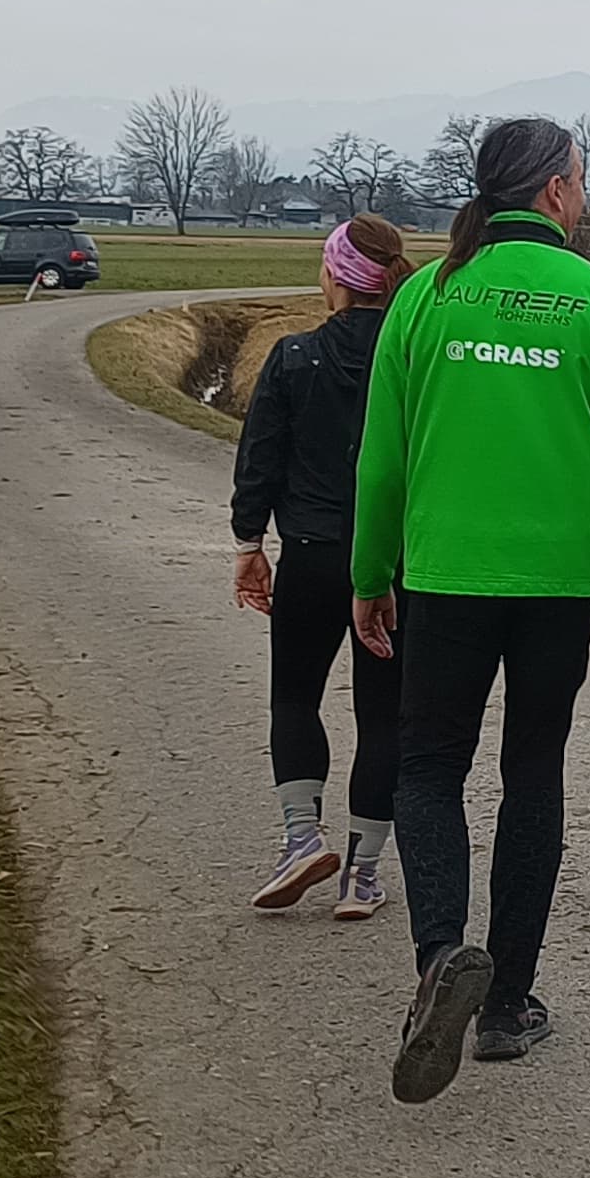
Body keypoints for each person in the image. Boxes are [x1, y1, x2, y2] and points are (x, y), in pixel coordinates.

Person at [350, 118, 590, 1098]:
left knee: (429, 766)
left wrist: (369, 575)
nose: (581, 192)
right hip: (557, 584)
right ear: (554, 192)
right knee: (532, 772)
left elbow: (381, 461)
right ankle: (504, 1005)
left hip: (444, 573)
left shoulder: (425, 295)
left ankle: (439, 959)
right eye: (579, 178)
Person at [229, 212, 414, 918]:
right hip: (393, 563)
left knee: (295, 697)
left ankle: (302, 838)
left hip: (310, 554)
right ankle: (362, 876)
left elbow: (260, 458)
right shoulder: (413, 358)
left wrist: (249, 543)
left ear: (335, 276)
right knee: (384, 717)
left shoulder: (293, 356)